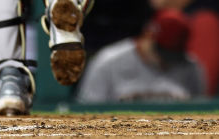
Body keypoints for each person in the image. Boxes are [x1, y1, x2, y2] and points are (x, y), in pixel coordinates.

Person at [75, 9, 205, 102]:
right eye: (161, 51)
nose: (164, 60)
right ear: (148, 35)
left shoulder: (190, 66)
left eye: (173, 54)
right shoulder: (107, 62)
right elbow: (86, 115)